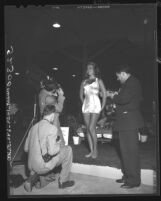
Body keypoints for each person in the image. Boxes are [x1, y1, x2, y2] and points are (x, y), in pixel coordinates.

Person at [106, 64, 144, 189]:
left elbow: (124, 99)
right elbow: (124, 98)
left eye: (118, 76)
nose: (118, 79)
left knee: (130, 152)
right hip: (125, 122)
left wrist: (113, 96)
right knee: (125, 152)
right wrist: (116, 95)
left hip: (129, 122)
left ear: (123, 73)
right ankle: (128, 176)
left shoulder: (132, 82)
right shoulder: (128, 84)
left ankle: (133, 181)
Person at [24, 105, 75, 192]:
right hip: (42, 165)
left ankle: (33, 177)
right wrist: (58, 144)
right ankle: (64, 181)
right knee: (68, 149)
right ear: (52, 115)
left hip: (30, 166)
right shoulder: (52, 128)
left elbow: (26, 149)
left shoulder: (33, 127)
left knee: (47, 169)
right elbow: (52, 152)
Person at [79, 62, 107, 158]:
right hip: (86, 106)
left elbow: (104, 94)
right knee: (87, 129)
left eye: (90, 68)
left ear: (95, 69)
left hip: (95, 105)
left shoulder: (99, 80)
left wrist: (102, 106)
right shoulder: (84, 81)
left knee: (91, 128)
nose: (88, 70)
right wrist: (84, 103)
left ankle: (95, 150)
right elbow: (80, 95)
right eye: (88, 68)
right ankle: (91, 151)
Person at [38, 78, 65, 146]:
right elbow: (59, 109)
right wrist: (61, 96)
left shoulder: (42, 92)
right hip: (52, 121)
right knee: (57, 140)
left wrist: (52, 94)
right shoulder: (50, 99)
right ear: (52, 90)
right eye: (54, 90)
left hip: (44, 120)